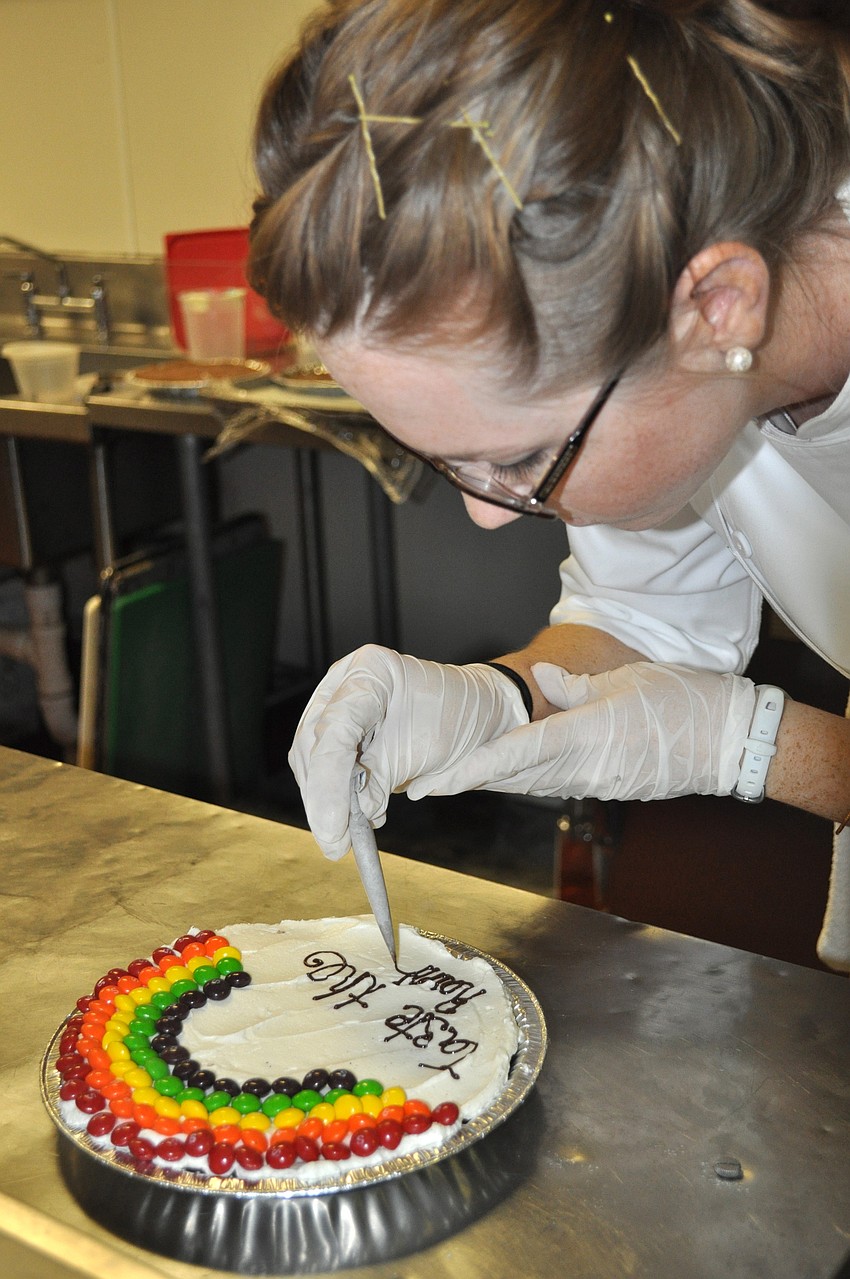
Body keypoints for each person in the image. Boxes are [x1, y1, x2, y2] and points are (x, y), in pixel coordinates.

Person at [248, 0, 850, 969]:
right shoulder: (670, 341)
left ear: (716, 307)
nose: (486, 515)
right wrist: (494, 698)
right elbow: (642, 617)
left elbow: (703, 721)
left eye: (522, 459)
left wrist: (751, 745)